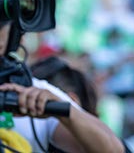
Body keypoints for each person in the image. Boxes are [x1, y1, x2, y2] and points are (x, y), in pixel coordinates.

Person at [0, 23, 124, 153]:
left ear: (17, 35)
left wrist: (66, 113)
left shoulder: (36, 92)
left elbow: (113, 150)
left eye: (1, 22)